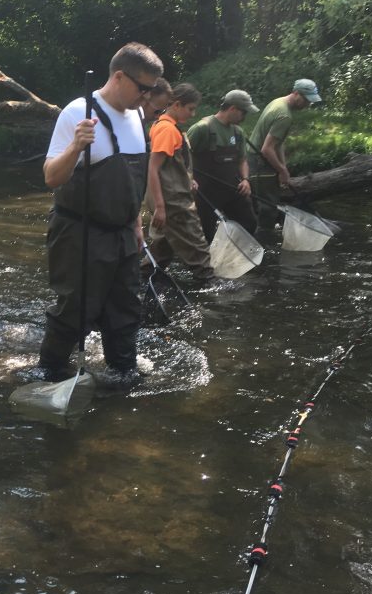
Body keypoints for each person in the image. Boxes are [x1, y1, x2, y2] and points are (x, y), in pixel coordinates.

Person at [37, 42, 163, 389]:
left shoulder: (137, 115)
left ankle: (124, 373)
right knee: (76, 310)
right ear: (119, 76)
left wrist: (136, 222)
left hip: (123, 232)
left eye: (151, 90)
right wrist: (76, 146)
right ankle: (49, 374)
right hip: (80, 233)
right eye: (143, 88)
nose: (148, 97)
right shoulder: (78, 112)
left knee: (126, 307)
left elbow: (131, 180)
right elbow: (51, 177)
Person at [144, 83, 214, 281]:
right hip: (172, 201)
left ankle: (142, 279)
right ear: (176, 105)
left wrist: (188, 180)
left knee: (163, 247)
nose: (193, 114)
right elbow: (153, 168)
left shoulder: (167, 127)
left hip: (171, 196)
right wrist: (160, 207)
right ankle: (210, 285)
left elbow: (171, 166)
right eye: (190, 108)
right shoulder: (167, 130)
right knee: (197, 244)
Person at [248, 78, 322, 230]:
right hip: (261, 163)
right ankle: (263, 239)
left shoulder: (277, 102)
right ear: (296, 93)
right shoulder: (284, 116)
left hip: (253, 159)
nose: (308, 104)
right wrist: (281, 171)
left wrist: (283, 167)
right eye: (306, 100)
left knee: (259, 204)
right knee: (268, 208)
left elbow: (278, 143)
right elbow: (267, 149)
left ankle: (257, 233)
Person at [187, 89, 259, 242]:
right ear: (232, 109)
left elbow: (242, 160)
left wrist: (245, 180)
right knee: (205, 234)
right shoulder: (201, 129)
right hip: (205, 193)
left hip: (232, 189)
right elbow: (182, 157)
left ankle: (233, 253)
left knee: (249, 223)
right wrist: (188, 179)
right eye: (243, 113)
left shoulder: (238, 132)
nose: (244, 118)